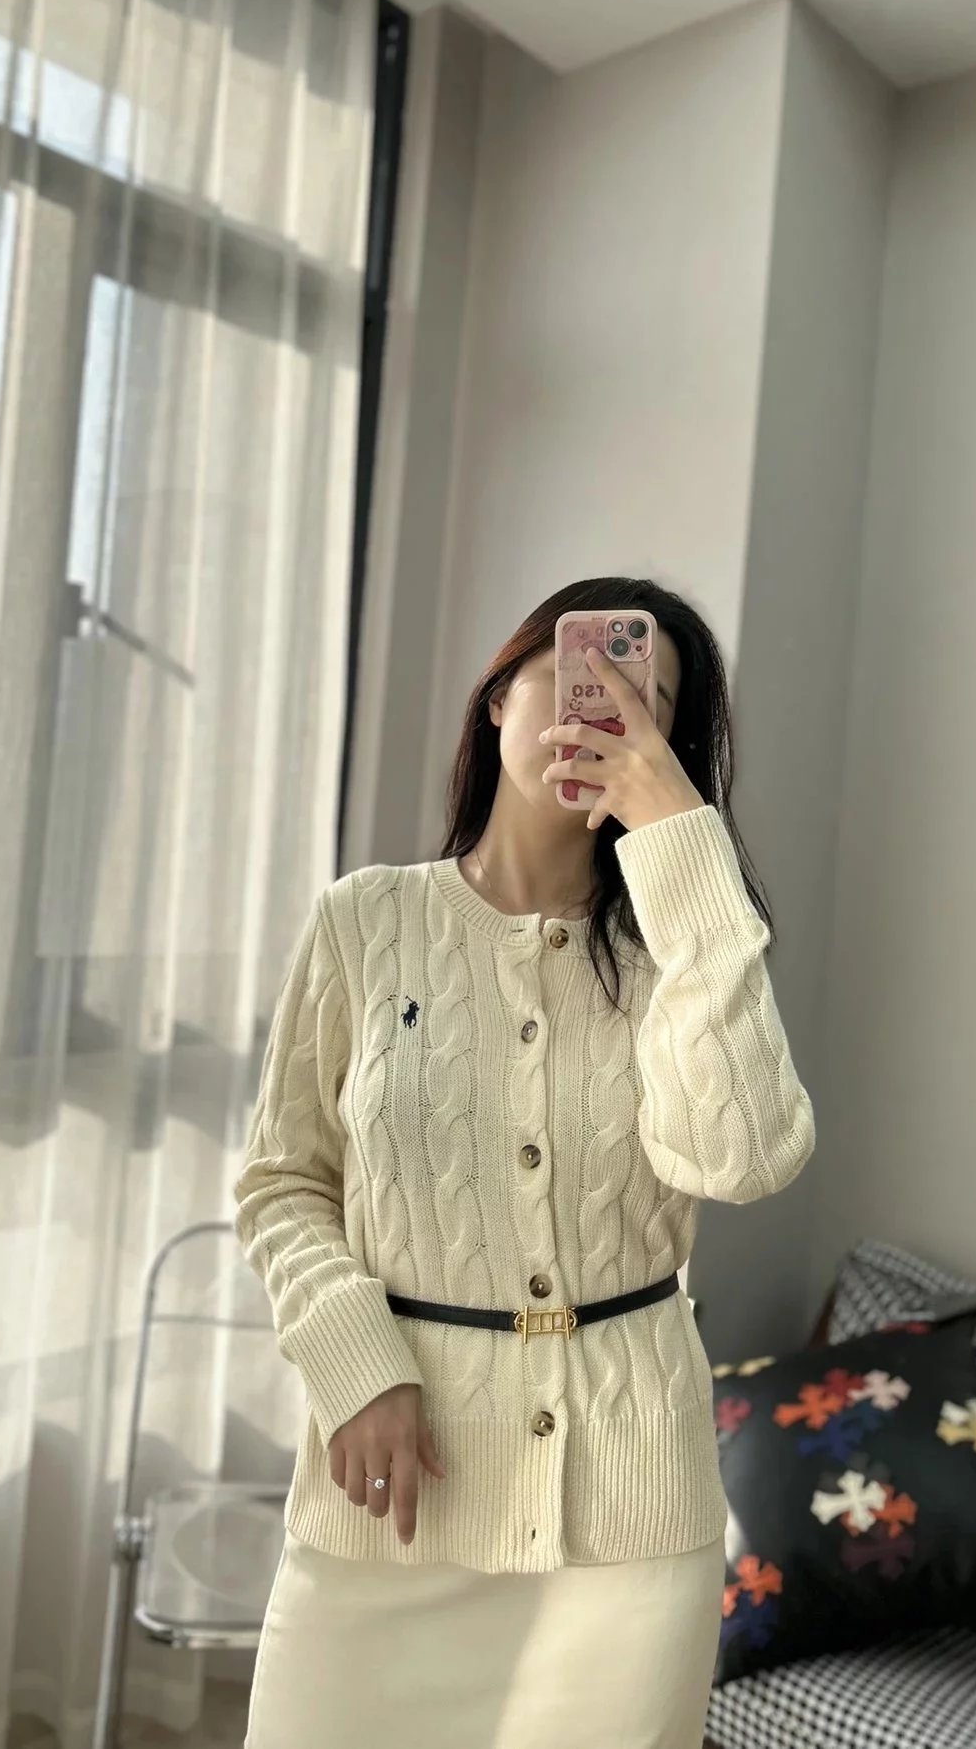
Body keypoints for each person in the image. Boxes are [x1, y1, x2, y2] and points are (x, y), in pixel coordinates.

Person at [235, 575, 816, 1749]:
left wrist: (679, 845)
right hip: (394, 1502)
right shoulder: (363, 920)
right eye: (575, 674)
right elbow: (282, 1180)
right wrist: (357, 1362)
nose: (602, 709)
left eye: (642, 702)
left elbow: (742, 1157)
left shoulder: (681, 952)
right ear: (499, 694)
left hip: (624, 1531)